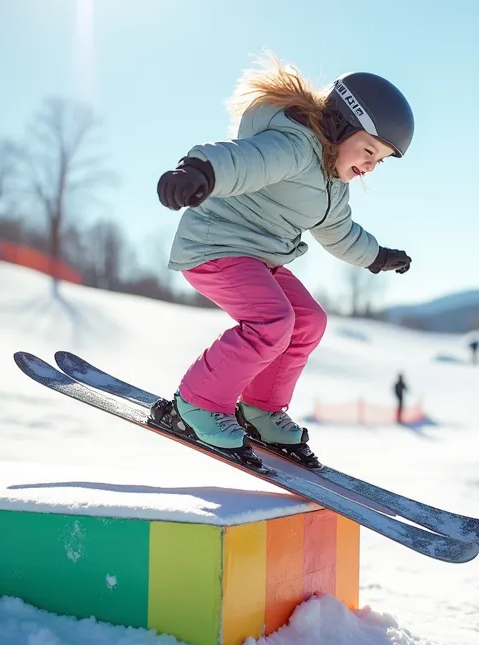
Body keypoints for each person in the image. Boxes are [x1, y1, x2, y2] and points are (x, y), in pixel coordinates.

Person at [146, 55, 416, 470]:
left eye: (377, 160)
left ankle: (260, 409)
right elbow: (241, 160)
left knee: (309, 320)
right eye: (367, 150)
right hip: (216, 245)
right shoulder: (293, 145)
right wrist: (198, 172)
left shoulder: (332, 185)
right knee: (272, 321)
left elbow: (340, 234)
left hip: (258, 259)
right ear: (342, 126)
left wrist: (377, 257)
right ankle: (194, 405)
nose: (368, 166)